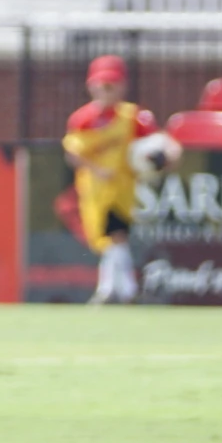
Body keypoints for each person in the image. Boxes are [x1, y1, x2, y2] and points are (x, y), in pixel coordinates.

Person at [63, 54, 155, 306]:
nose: (106, 90)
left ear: (122, 86)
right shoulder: (82, 119)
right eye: (101, 85)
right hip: (94, 189)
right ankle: (117, 289)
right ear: (91, 86)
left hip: (122, 188)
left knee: (117, 235)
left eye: (111, 85)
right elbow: (73, 154)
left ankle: (118, 290)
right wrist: (97, 169)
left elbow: (154, 147)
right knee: (106, 240)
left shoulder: (133, 117)